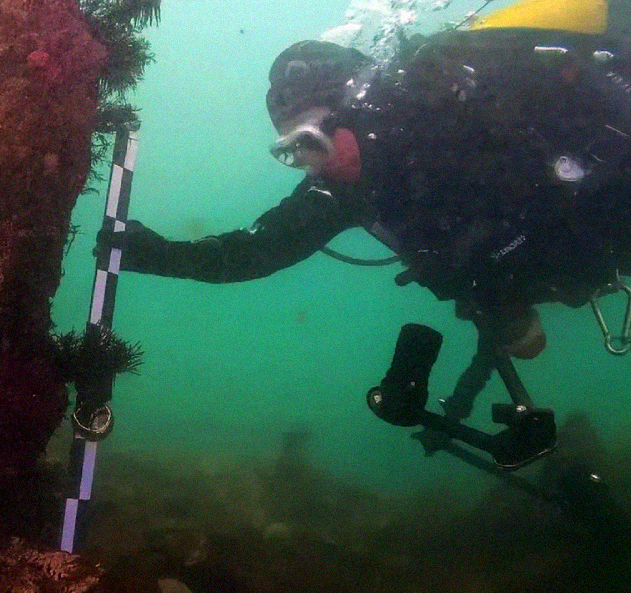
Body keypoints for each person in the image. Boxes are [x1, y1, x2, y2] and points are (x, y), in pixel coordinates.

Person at [99, 24, 631, 418]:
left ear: (351, 106)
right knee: (523, 339)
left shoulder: (462, 107)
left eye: (309, 140)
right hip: (579, 266)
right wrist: (163, 255)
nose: (309, 162)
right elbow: (259, 250)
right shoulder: (345, 191)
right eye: (290, 151)